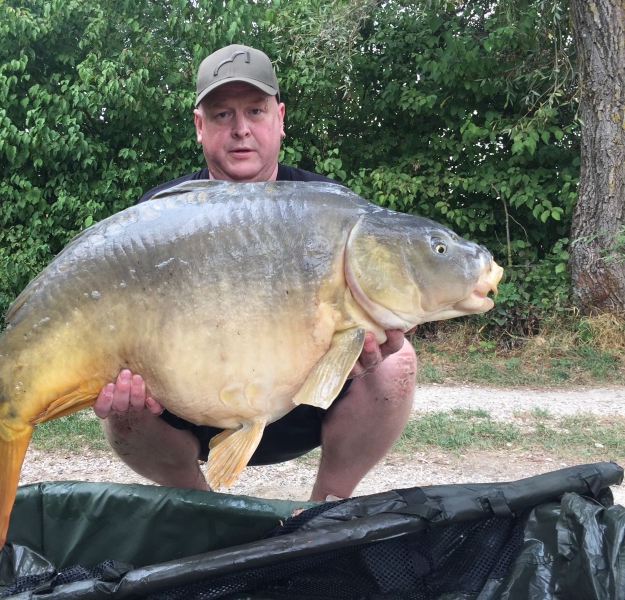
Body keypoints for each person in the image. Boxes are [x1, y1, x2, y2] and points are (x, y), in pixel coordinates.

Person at [93, 45, 418, 501]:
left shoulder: (329, 207)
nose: (241, 129)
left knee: (396, 362)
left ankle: (328, 508)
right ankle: (199, 507)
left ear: (280, 117)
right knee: (120, 400)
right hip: (187, 408)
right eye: (223, 114)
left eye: (255, 111)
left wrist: (357, 353)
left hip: (304, 404)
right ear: (200, 126)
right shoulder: (161, 215)